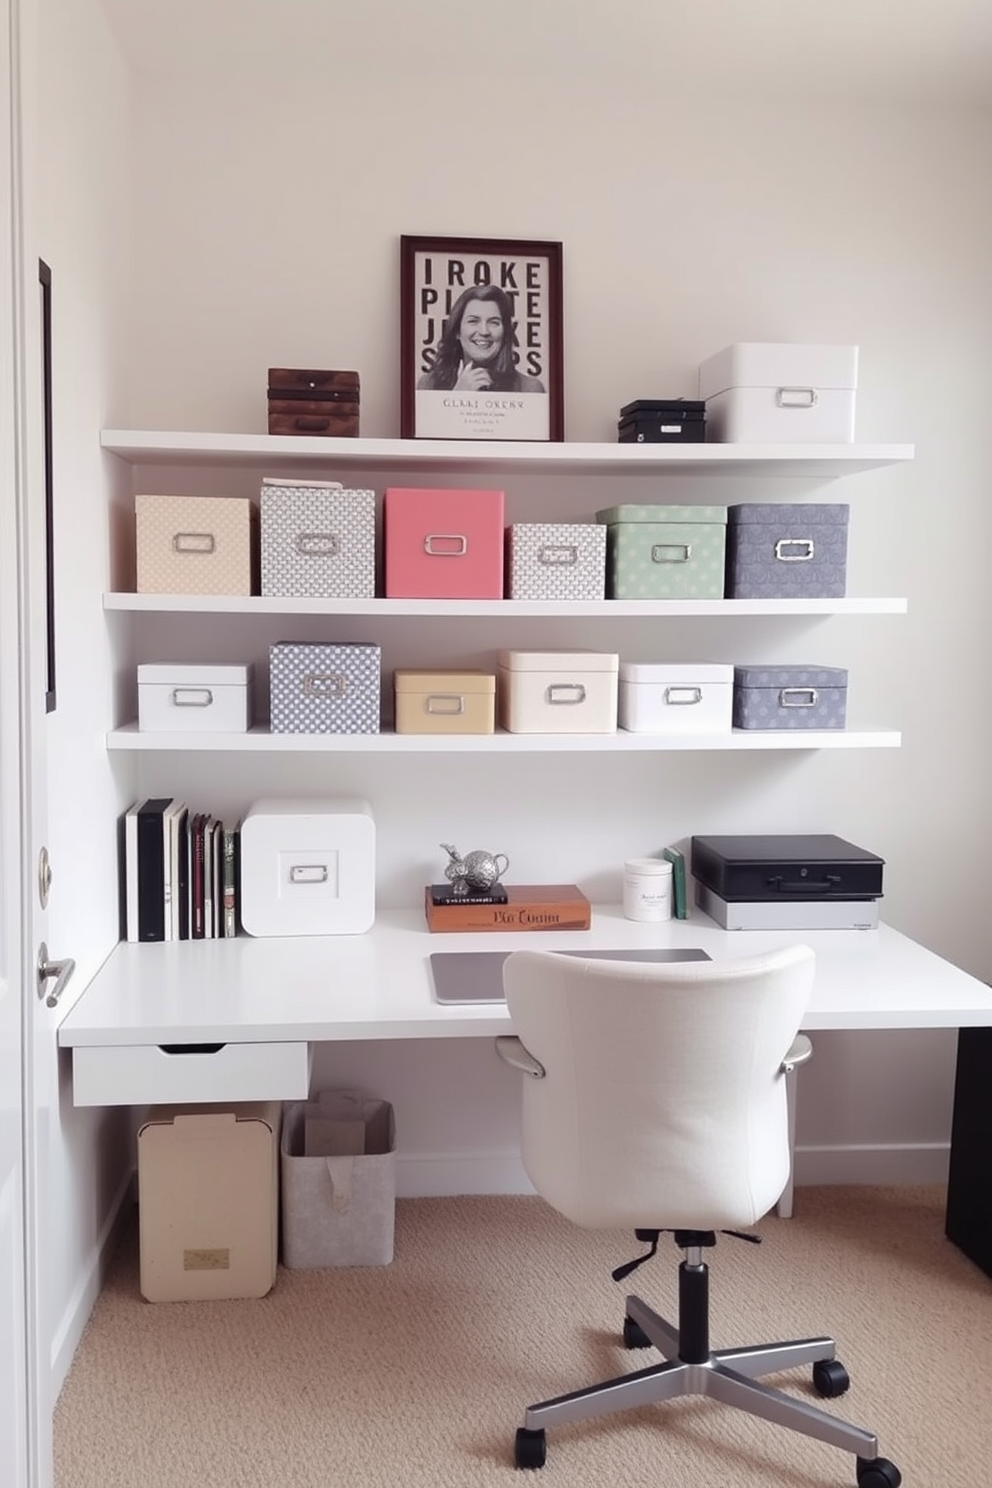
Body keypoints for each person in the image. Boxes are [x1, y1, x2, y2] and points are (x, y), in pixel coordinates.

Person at [417, 282, 546, 394]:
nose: (484, 331)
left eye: (494, 322)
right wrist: (457, 397)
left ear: (505, 332)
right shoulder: (428, 386)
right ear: (457, 331)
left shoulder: (530, 388)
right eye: (473, 321)